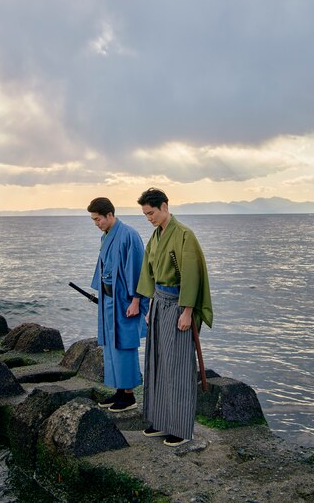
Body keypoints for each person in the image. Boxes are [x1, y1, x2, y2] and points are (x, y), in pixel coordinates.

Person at [137, 188, 213, 447]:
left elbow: (192, 274)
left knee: (178, 365)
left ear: (165, 206)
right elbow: (148, 272)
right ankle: (160, 421)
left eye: (152, 213)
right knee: (157, 363)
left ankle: (179, 428)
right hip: (158, 303)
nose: (149, 218)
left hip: (179, 306)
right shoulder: (156, 237)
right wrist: (148, 306)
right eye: (146, 215)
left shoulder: (184, 236)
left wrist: (188, 311)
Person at [88, 197, 148, 412]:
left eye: (98, 219)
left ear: (110, 215)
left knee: (125, 345)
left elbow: (138, 270)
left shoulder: (128, 235)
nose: (96, 224)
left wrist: (136, 300)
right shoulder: (106, 236)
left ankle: (130, 396)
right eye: (94, 220)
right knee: (111, 346)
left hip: (124, 300)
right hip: (109, 300)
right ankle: (119, 390)